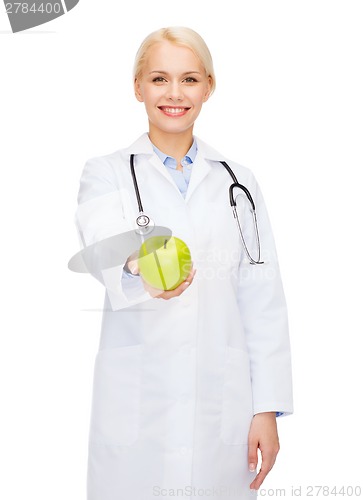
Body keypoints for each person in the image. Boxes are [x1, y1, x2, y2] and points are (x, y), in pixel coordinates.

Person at [74, 26, 293, 500]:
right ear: (138, 87)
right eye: (159, 79)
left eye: (190, 79)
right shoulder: (108, 172)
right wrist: (140, 267)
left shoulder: (239, 182)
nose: (174, 94)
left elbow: (262, 296)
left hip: (222, 406)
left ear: (208, 87)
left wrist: (267, 409)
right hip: (137, 409)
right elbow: (101, 245)